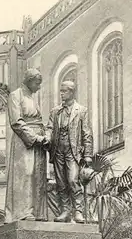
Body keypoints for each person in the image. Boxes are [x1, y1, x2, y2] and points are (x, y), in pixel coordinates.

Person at [45, 81, 93, 223]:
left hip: (73, 151)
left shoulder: (81, 110)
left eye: (64, 91)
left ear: (71, 92)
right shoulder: (55, 111)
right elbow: (49, 128)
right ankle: (65, 211)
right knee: (61, 183)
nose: (61, 94)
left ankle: (78, 211)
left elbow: (87, 133)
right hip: (58, 150)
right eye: (61, 91)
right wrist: (47, 137)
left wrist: (88, 155)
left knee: (73, 180)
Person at [5, 68, 49, 222]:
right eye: (37, 83)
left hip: (38, 141)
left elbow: (39, 120)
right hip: (25, 142)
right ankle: (23, 212)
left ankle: (37, 212)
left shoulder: (32, 97)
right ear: (30, 81)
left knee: (38, 175)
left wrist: (45, 137)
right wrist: (35, 138)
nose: (39, 87)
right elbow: (16, 122)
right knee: (26, 174)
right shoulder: (15, 95)